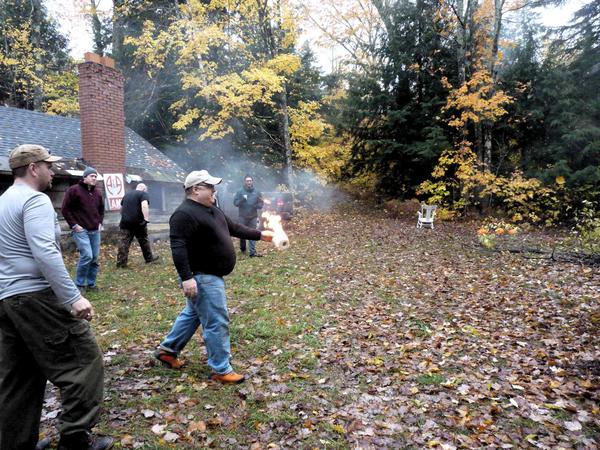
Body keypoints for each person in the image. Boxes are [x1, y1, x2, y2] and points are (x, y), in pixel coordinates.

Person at [0, 145, 112, 450]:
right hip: (36, 297)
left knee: (19, 376)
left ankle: (15, 444)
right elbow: (46, 252)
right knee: (84, 363)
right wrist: (73, 297)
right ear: (33, 168)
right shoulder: (34, 200)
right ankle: (75, 438)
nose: (53, 172)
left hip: (7, 302)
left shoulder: (3, 201)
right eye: (49, 166)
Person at [154, 170, 274, 384]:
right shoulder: (184, 214)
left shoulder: (212, 209)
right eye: (210, 187)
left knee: (192, 314)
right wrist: (186, 277)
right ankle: (221, 368)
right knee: (217, 321)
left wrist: (261, 235)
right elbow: (178, 247)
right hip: (202, 276)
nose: (214, 191)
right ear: (195, 189)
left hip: (210, 275)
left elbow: (234, 227)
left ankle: (168, 350)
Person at [61, 167, 104, 292]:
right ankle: (79, 284)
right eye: (91, 176)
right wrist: (74, 225)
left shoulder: (98, 193)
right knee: (87, 256)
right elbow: (65, 209)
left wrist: (100, 222)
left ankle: (91, 284)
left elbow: (101, 210)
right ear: (84, 177)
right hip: (81, 230)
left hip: (95, 230)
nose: (94, 178)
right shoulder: (74, 190)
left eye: (95, 176)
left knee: (94, 258)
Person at [116, 183, 159, 268]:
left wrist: (124, 217)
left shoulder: (127, 195)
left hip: (125, 223)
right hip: (138, 223)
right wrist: (146, 219)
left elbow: (121, 208)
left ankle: (121, 263)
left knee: (124, 243)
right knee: (144, 241)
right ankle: (149, 258)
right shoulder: (143, 194)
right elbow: (144, 206)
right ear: (144, 189)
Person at [233, 175, 264, 257]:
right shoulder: (240, 191)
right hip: (242, 217)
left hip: (253, 217)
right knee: (242, 234)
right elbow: (235, 203)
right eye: (247, 181)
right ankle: (243, 248)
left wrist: (257, 206)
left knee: (253, 234)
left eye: (250, 181)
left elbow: (261, 203)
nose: (249, 182)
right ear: (245, 182)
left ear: (252, 182)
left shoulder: (257, 192)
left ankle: (252, 253)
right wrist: (242, 200)